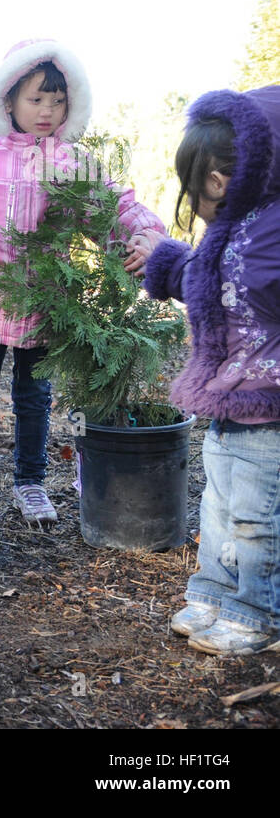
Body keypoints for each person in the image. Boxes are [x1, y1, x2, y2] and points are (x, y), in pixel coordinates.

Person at [0, 38, 164, 525]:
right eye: (36, 99)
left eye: (58, 101)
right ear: (8, 100)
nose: (48, 111)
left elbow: (112, 209)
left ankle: (30, 483)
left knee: (35, 400)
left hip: (45, 307)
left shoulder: (74, 164)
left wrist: (144, 233)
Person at [137, 84, 280, 656]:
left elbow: (240, 284)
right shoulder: (236, 229)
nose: (200, 197)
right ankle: (215, 593)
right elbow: (213, 287)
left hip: (268, 403)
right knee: (218, 507)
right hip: (228, 398)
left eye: (202, 183)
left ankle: (257, 612)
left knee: (255, 516)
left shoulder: (270, 230)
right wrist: (166, 261)